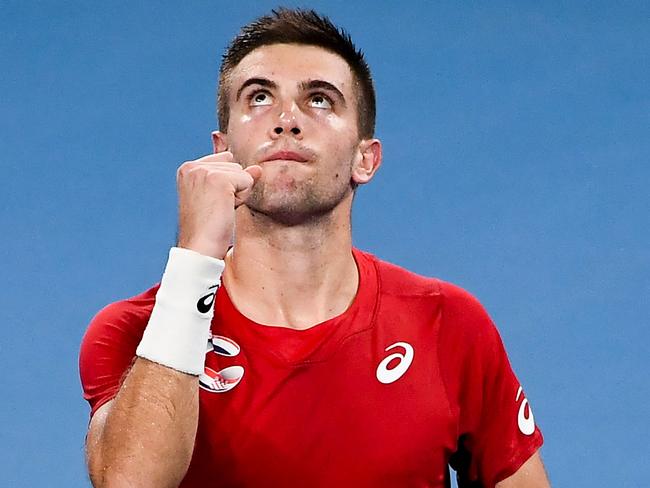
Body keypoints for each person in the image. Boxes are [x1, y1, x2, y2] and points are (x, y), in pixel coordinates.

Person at [79, 8, 549, 488]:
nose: (287, 120)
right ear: (221, 150)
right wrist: (196, 256)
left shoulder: (448, 325)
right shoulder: (136, 332)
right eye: (259, 98)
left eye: (320, 100)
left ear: (365, 159)